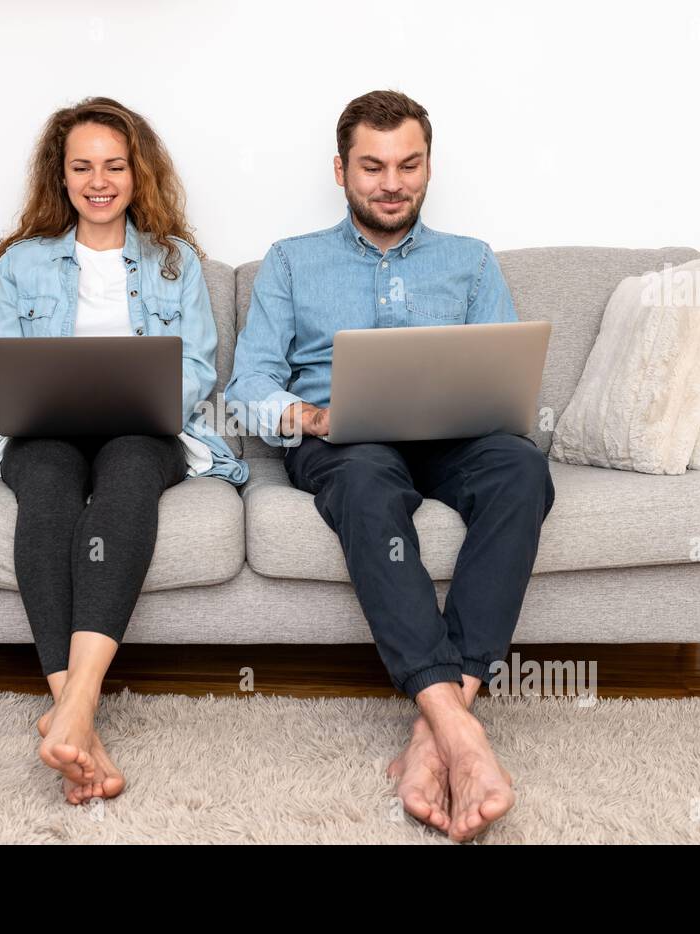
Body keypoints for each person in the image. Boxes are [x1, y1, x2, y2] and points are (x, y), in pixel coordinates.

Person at [225, 89, 555, 842]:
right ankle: (463, 736)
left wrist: (490, 409)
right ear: (341, 170)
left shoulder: (469, 261)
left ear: (429, 167)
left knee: (522, 471)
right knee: (368, 484)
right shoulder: (291, 262)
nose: (392, 182)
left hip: (454, 437)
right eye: (372, 167)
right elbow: (245, 388)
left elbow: (505, 372)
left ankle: (432, 729)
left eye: (409, 165)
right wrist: (312, 417)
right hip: (343, 439)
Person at [0, 96, 247, 805]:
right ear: (60, 176)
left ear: (138, 174)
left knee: (129, 475)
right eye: (81, 167)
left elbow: (198, 367)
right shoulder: (24, 263)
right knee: (47, 494)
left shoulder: (174, 261)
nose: (98, 181)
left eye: (114, 166)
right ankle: (79, 720)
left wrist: (145, 393)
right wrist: (36, 391)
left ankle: (73, 709)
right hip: (48, 428)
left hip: (144, 426)